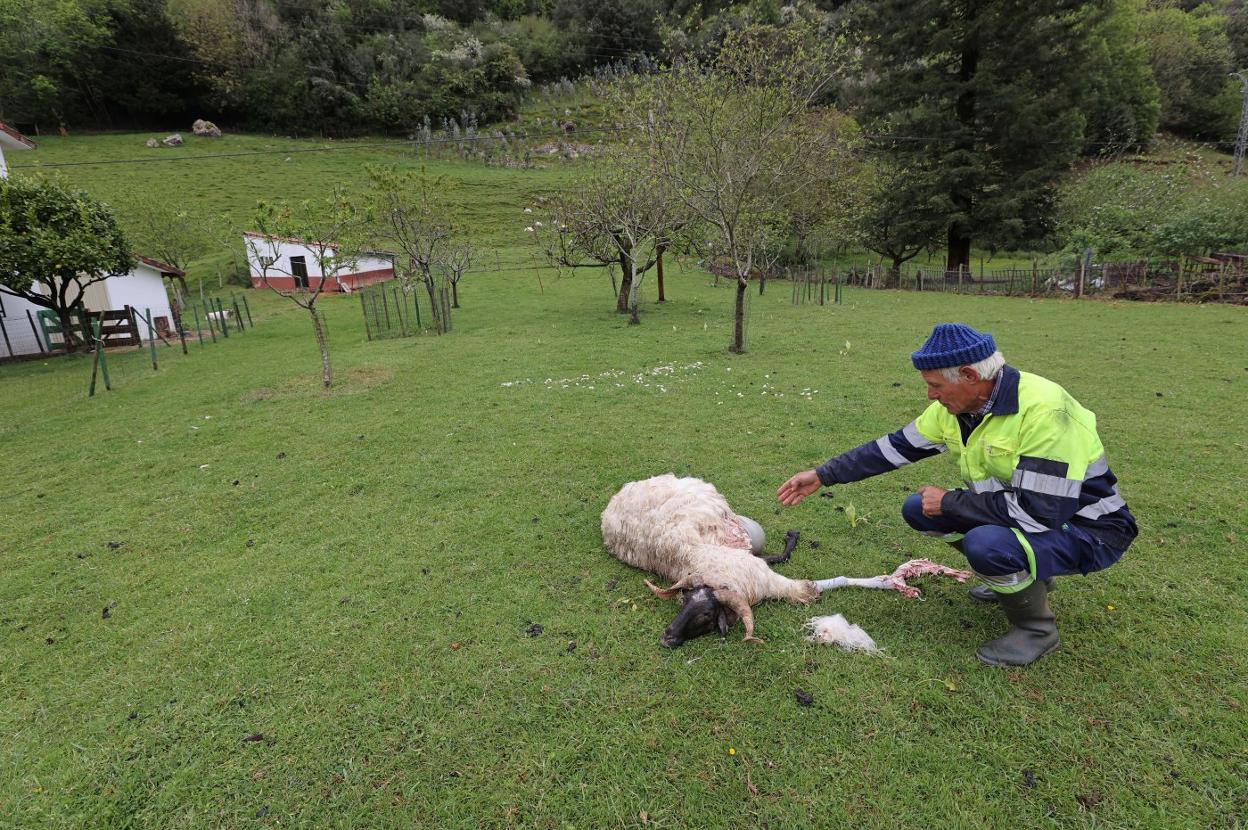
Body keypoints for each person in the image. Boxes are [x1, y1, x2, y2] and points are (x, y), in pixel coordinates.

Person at [777, 323, 1137, 666]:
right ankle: (1026, 579)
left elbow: (1039, 513)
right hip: (1031, 516)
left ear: (969, 375)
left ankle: (1036, 629)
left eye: (935, 386)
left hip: (1089, 530)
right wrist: (823, 475)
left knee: (986, 544)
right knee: (919, 508)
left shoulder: (1045, 412)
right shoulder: (958, 408)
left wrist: (950, 501)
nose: (930, 395)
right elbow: (892, 449)